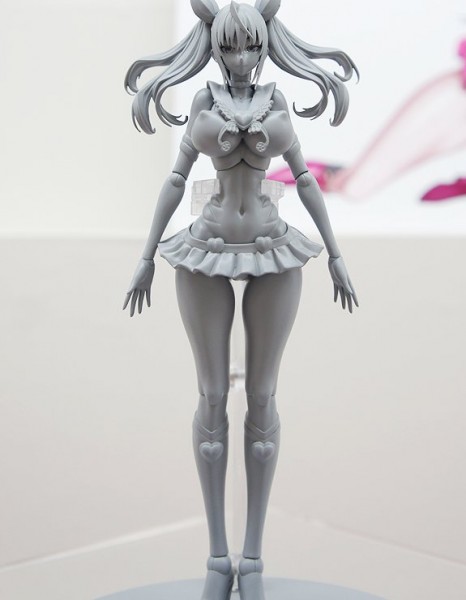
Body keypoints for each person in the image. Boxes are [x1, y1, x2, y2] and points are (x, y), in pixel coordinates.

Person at [123, 2, 358, 599]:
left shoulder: (276, 102)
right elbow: (175, 180)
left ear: (265, 43)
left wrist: (335, 254)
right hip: (205, 249)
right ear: (213, 46)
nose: (240, 57)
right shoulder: (204, 101)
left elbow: (304, 179)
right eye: (229, 46)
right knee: (210, 398)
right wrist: (146, 257)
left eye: (250, 45)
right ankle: (216, 556)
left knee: (262, 397)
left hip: (273, 249)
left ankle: (251, 558)